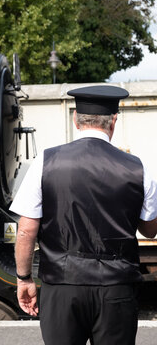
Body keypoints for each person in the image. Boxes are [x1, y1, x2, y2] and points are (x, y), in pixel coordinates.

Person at [10, 85, 157, 345]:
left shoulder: (46, 161)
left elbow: (26, 230)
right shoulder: (138, 167)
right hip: (117, 288)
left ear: (76, 119)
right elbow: (149, 230)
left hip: (62, 286)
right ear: (113, 121)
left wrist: (24, 279)